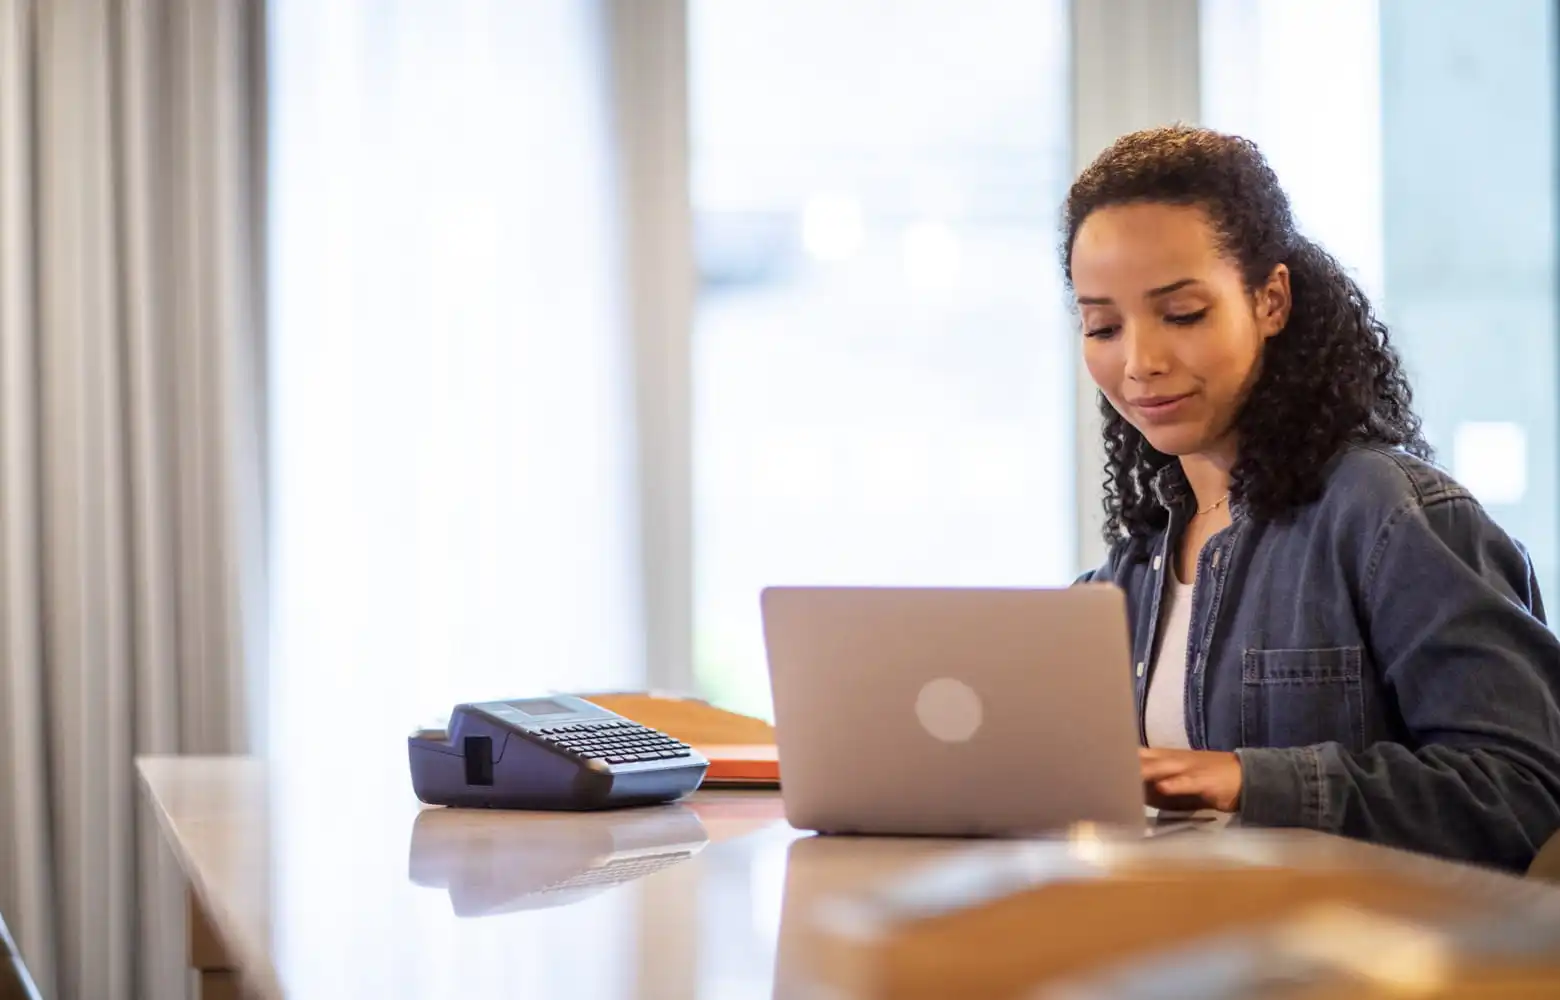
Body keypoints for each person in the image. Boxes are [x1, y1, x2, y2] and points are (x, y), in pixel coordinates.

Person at [1068, 125, 1560, 872]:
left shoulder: (1388, 516)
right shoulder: (1129, 571)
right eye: (1103, 325)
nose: (1139, 363)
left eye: (1183, 314)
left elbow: (1521, 788)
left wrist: (1247, 781)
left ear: (1270, 299)